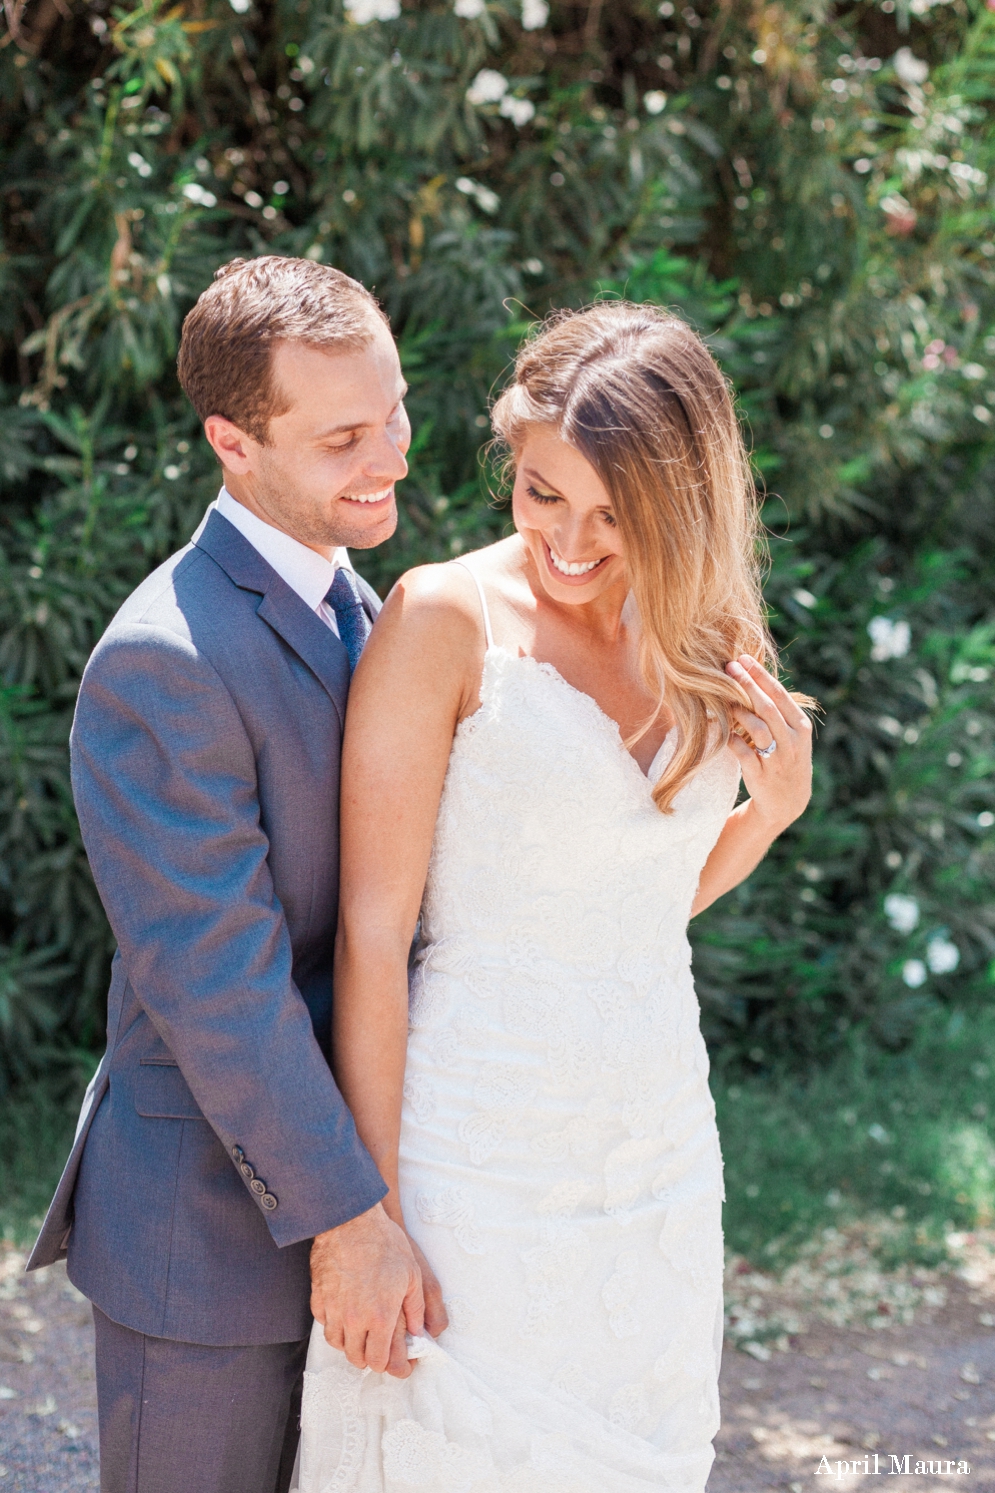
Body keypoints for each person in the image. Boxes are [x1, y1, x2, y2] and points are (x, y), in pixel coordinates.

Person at [295, 303, 815, 1493]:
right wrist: (365, 1213)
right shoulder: (443, 619)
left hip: (658, 1145)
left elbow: (635, 903)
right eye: (540, 494)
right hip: (477, 1150)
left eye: (613, 515)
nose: (569, 542)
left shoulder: (707, 627)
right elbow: (375, 937)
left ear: (682, 503)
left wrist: (769, 813)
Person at [26, 256, 444, 1493]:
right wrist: (347, 1215)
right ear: (232, 442)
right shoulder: (163, 658)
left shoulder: (362, 605)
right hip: (205, 1237)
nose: (393, 456)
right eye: (345, 438)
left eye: (397, 412)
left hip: (364, 1192)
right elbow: (222, 984)